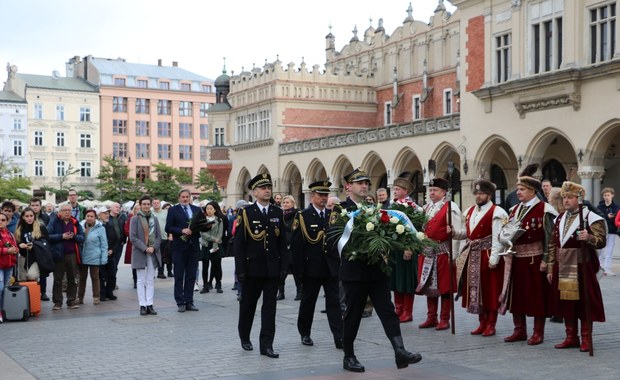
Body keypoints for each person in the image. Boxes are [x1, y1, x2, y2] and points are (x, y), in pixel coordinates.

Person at [331, 168, 422, 372]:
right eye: (359, 183)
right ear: (348, 186)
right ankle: (349, 355)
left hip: (377, 271)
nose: (364, 186)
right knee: (353, 315)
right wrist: (360, 246)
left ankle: (400, 351)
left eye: (366, 183)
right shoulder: (340, 210)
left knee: (388, 311)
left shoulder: (374, 207)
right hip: (354, 273)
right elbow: (334, 240)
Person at [547, 181, 606, 352]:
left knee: (584, 303)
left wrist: (589, 237)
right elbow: (552, 244)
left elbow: (601, 241)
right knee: (565, 303)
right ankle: (571, 336)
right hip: (562, 265)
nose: (566, 200)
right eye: (564, 197)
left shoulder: (591, 218)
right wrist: (551, 266)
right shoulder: (559, 218)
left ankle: (586, 338)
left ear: (579, 199)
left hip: (581, 266)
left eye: (570, 197)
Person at [234, 173, 288, 358]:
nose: (267, 191)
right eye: (263, 188)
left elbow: (282, 242)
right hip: (252, 269)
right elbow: (239, 245)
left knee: (269, 308)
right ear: (255, 192)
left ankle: (267, 345)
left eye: (269, 188)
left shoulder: (277, 212)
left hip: (272, 269)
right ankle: (245, 336)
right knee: (248, 305)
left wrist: (284, 267)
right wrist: (240, 270)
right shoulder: (246, 213)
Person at [502, 175, 557, 345]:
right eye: (518, 189)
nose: (518, 192)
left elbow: (550, 238)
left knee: (536, 296)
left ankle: (537, 332)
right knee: (517, 296)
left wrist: (546, 260)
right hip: (516, 258)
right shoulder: (514, 209)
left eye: (522, 189)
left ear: (532, 191)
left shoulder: (545, 209)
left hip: (535, 258)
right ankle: (519, 330)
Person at [291, 180, 342, 348]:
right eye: (320, 195)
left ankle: (338, 336)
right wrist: (299, 272)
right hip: (311, 268)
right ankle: (304, 332)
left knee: (334, 303)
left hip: (330, 268)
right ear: (312, 196)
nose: (323, 198)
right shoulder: (303, 216)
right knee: (308, 302)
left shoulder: (332, 216)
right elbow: (297, 247)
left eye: (325, 195)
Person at [454, 179, 508, 337]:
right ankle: (482, 322)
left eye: (482, 193)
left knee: (490, 291)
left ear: (489, 195)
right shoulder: (471, 210)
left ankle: (491, 324)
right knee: (476, 292)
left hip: (487, 254)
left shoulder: (497, 212)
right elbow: (468, 233)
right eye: (476, 193)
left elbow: (498, 237)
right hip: (472, 255)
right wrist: (455, 233)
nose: (478, 196)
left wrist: (494, 258)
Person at [417, 177, 463, 331]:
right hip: (427, 253)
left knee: (444, 288)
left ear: (444, 192)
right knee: (429, 286)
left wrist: (454, 255)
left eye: (435, 190)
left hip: (443, 252)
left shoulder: (451, 207)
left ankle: (444, 319)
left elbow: (456, 233)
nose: (432, 193)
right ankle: (431, 317)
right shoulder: (426, 208)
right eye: (430, 190)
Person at [389, 178, 422, 323]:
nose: (395, 191)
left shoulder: (414, 208)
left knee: (407, 281)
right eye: (394, 189)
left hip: (407, 249)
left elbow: (417, 230)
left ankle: (408, 312)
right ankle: (398, 309)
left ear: (405, 191)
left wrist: (410, 248)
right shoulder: (392, 206)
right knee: (396, 279)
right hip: (395, 249)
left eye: (397, 189)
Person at [166, 189, 202, 313]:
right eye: (183, 197)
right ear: (179, 198)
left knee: (191, 276)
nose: (185, 199)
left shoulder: (197, 210)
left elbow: (201, 225)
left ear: (190, 197)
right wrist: (181, 230)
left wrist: (205, 226)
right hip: (179, 248)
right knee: (179, 275)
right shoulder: (173, 210)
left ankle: (189, 301)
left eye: (187, 197)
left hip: (193, 247)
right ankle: (180, 302)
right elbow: (168, 227)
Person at [48, 203, 85, 310]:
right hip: (58, 254)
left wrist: (74, 237)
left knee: (72, 279)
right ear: (59, 212)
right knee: (58, 279)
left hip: (72, 254)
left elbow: (82, 238)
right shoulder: (54, 222)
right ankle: (57, 302)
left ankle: (71, 300)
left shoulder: (75, 223)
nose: (67, 212)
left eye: (69, 210)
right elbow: (47, 236)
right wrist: (61, 236)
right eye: (65, 210)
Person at [130, 195, 162, 316]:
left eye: (148, 204)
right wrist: (145, 248)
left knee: (150, 280)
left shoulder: (155, 218)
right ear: (140, 205)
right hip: (140, 252)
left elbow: (159, 236)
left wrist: (153, 247)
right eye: (144, 204)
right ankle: (142, 305)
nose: (147, 206)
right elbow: (133, 237)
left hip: (153, 252)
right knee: (140, 280)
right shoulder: (135, 219)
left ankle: (150, 304)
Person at [77, 209, 107, 305]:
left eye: (91, 216)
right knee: (82, 278)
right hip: (83, 255)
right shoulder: (80, 226)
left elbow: (104, 244)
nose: (89, 218)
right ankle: (80, 297)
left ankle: (96, 297)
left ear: (95, 218)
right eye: (88, 216)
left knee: (95, 277)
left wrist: (103, 258)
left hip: (95, 255)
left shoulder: (100, 228)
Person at [15, 207, 49, 284]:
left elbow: (46, 241)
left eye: (31, 216)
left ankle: (37, 292)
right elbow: (16, 242)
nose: (29, 218)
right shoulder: (19, 228)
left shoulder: (41, 226)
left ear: (34, 216)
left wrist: (34, 245)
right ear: (23, 217)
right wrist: (20, 245)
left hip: (36, 256)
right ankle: (28, 295)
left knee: (32, 276)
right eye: (27, 216)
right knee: (22, 278)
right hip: (23, 256)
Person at [278, 194, 302, 301]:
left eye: (288, 202)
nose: (285, 204)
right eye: (284, 202)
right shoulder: (280, 215)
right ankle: (281, 292)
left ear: (293, 203)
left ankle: (299, 292)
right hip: (283, 248)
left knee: (296, 271)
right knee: (282, 272)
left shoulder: (298, 215)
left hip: (294, 247)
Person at [199, 201, 224, 294]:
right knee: (205, 266)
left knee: (217, 265)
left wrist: (216, 241)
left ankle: (218, 284)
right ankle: (205, 285)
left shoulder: (219, 220)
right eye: (207, 209)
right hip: (206, 244)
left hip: (216, 245)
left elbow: (220, 232)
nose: (209, 210)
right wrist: (213, 239)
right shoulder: (203, 220)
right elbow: (202, 233)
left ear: (215, 210)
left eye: (211, 209)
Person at [0, 211, 19, 323]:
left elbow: (15, 248)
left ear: (7, 222)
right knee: (0, 288)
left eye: (3, 220)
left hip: (9, 265)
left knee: (5, 290)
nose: (1, 222)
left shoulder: (10, 234)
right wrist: (7, 250)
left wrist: (15, 250)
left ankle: (4, 311)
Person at [599, 188, 619, 276]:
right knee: (601, 249)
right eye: (605, 195)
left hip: (612, 230)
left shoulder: (616, 207)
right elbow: (598, 216)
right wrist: (607, 217)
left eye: (608, 195)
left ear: (612, 195)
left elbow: (618, 217)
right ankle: (600, 267)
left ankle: (607, 269)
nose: (607, 197)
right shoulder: (600, 206)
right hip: (602, 230)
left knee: (609, 250)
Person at [152, 198, 171, 279]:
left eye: (157, 203)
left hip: (164, 237)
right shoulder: (150, 213)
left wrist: (170, 235)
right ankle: (152, 273)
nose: (156, 204)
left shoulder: (165, 213)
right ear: (152, 204)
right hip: (153, 238)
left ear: (160, 204)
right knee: (153, 256)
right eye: (154, 203)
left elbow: (170, 224)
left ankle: (161, 272)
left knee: (163, 256)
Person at [124, 203, 139, 288]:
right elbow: (126, 230)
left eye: (140, 208)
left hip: (143, 244)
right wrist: (134, 237)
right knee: (134, 263)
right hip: (133, 244)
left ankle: (141, 280)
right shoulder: (130, 218)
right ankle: (135, 281)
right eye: (137, 208)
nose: (138, 210)